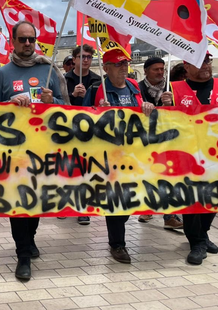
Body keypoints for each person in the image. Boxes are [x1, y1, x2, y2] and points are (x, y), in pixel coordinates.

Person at [0, 20, 69, 280]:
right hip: (13, 154)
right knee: (18, 203)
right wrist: (8, 103)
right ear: (13, 42)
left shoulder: (49, 71)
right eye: (22, 39)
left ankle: (30, 238)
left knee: (35, 203)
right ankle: (22, 253)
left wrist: (51, 101)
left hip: (44, 151)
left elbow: (66, 109)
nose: (27, 44)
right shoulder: (2, 74)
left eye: (31, 39)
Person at [162, 53, 218, 265]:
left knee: (215, 198)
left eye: (207, 61)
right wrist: (165, 105)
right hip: (188, 156)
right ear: (187, 66)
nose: (206, 65)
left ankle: (204, 233)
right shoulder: (175, 89)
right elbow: (162, 122)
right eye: (200, 62)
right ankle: (196, 241)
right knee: (193, 200)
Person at [82, 49, 156, 264]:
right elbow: (80, 118)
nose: (124, 68)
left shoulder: (134, 87)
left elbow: (145, 114)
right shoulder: (97, 88)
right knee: (116, 199)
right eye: (118, 64)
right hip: (108, 156)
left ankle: (117, 237)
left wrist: (148, 107)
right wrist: (96, 111)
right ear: (106, 68)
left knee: (129, 199)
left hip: (134, 154)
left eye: (125, 64)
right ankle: (117, 244)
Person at [136, 57, 184, 229]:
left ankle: (170, 215)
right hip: (145, 140)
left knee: (167, 175)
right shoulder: (137, 88)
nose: (160, 72)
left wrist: (169, 105)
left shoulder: (170, 87)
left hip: (167, 139)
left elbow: (181, 113)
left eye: (162, 69)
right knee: (148, 174)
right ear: (146, 70)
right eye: (155, 69)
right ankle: (147, 207)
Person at [63, 44, 101, 225]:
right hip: (68, 129)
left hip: (90, 131)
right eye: (83, 57)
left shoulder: (97, 79)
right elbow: (57, 103)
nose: (86, 60)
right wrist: (72, 95)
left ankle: (82, 207)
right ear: (75, 59)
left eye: (89, 57)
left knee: (86, 170)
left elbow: (101, 106)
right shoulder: (64, 78)